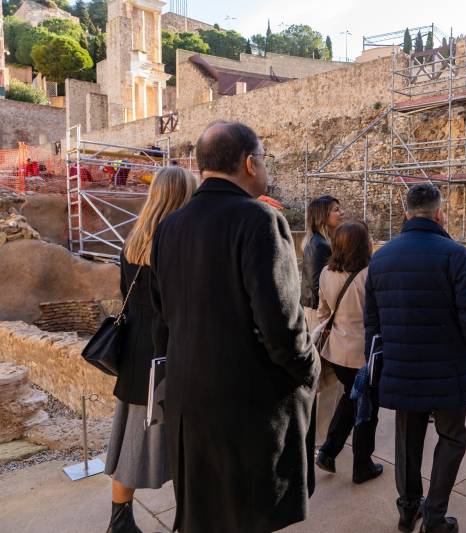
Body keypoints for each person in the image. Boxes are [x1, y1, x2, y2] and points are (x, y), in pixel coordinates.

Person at [149, 122, 320, 533]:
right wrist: (308, 367)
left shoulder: (169, 226)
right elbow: (282, 324)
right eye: (263, 159)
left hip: (190, 400)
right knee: (247, 517)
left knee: (207, 517)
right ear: (249, 163)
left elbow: (164, 316)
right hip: (246, 407)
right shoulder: (260, 219)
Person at [364, 184, 466, 533]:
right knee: (451, 437)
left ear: (406, 213)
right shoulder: (454, 254)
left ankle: (407, 510)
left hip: (402, 365)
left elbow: (372, 321)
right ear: (439, 213)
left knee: (407, 440)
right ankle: (434, 517)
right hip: (448, 366)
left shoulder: (381, 257)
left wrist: (377, 360)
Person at [104, 166, 198, 533]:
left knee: (131, 434)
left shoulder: (133, 239)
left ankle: (119, 520)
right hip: (168, 349)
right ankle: (187, 518)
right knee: (185, 441)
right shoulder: (177, 242)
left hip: (134, 351)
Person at [313, 221, 383, 484]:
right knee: (366, 408)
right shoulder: (371, 275)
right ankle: (362, 465)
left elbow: (323, 313)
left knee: (351, 399)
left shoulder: (325, 274)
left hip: (337, 353)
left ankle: (329, 452)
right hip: (365, 356)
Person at [300, 194, 345, 445]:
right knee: (327, 376)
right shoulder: (321, 246)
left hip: (314, 312)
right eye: (336, 210)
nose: (341, 213)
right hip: (320, 314)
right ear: (322, 217)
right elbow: (319, 287)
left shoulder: (315, 242)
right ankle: (323, 437)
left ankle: (322, 434)